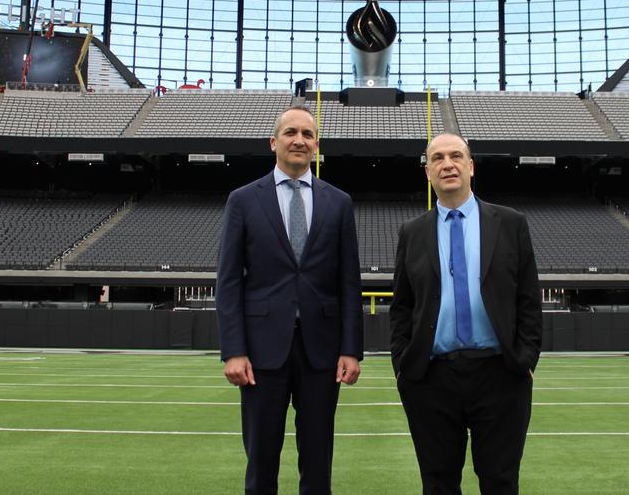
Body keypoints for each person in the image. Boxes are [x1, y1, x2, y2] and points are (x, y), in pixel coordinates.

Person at [216, 105, 363, 495]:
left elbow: (349, 282)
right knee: (261, 460)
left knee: (318, 462)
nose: (300, 140)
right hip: (261, 352)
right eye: (291, 133)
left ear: (317, 145)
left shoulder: (339, 202)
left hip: (323, 351)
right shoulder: (243, 200)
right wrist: (233, 350)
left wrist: (352, 350)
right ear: (273, 142)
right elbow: (229, 280)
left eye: (308, 134)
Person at [390, 132, 542, 495]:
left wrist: (524, 358)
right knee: (438, 483)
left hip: (499, 373)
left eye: (456, 156)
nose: (447, 164)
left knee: (500, 482)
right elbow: (402, 306)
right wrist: (403, 364)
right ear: (428, 171)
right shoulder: (412, 232)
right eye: (437, 158)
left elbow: (528, 298)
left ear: (471, 166)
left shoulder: (510, 223)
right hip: (432, 377)